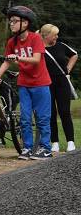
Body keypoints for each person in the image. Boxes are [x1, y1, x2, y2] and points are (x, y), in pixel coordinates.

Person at [0, 6, 52, 160]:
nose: (11, 24)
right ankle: (27, 148)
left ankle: (46, 149)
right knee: (25, 118)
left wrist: (18, 58)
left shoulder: (35, 38)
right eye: (10, 21)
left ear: (25, 23)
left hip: (40, 83)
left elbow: (36, 59)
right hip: (24, 84)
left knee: (42, 117)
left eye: (15, 21)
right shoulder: (12, 42)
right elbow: (7, 61)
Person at [40, 24, 77, 153]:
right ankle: (54, 142)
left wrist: (68, 69)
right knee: (50, 113)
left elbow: (74, 55)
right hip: (46, 83)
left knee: (64, 111)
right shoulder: (39, 49)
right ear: (46, 35)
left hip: (62, 82)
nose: (57, 36)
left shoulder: (61, 45)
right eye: (54, 34)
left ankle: (70, 142)